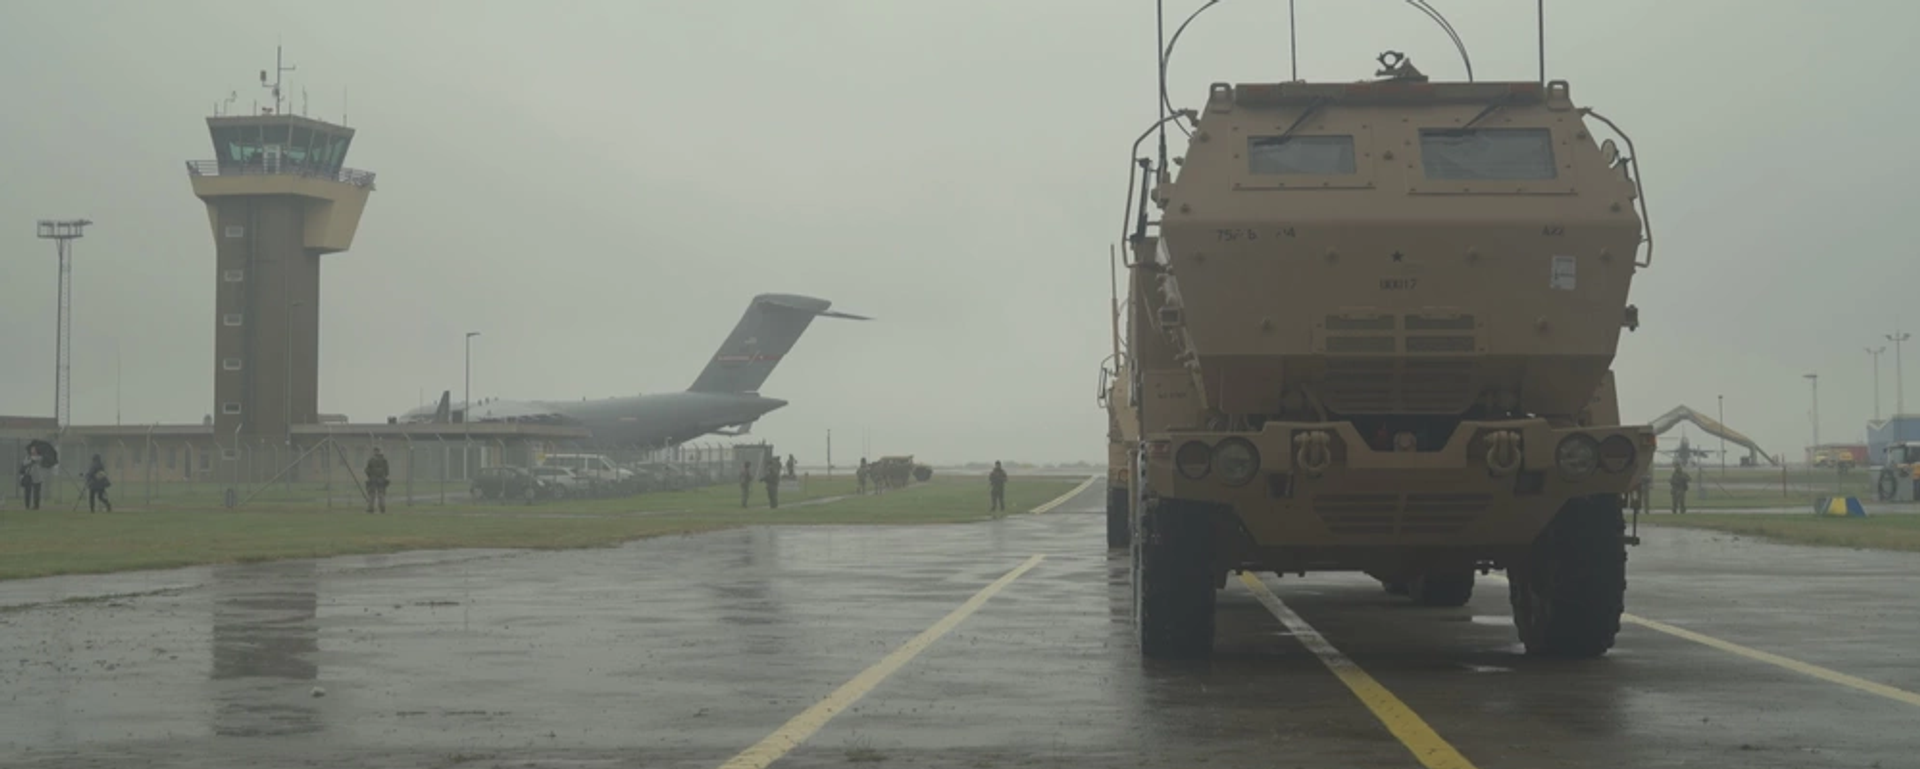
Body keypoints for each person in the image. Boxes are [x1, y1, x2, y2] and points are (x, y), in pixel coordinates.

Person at [364, 447, 390, 514]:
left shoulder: (371, 460)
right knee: (381, 494)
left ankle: (371, 508)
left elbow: (367, 470)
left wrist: (370, 476)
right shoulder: (384, 460)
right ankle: (382, 508)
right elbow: (387, 471)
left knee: (372, 494)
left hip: (373, 479)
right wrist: (384, 476)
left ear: (374, 452)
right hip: (381, 479)